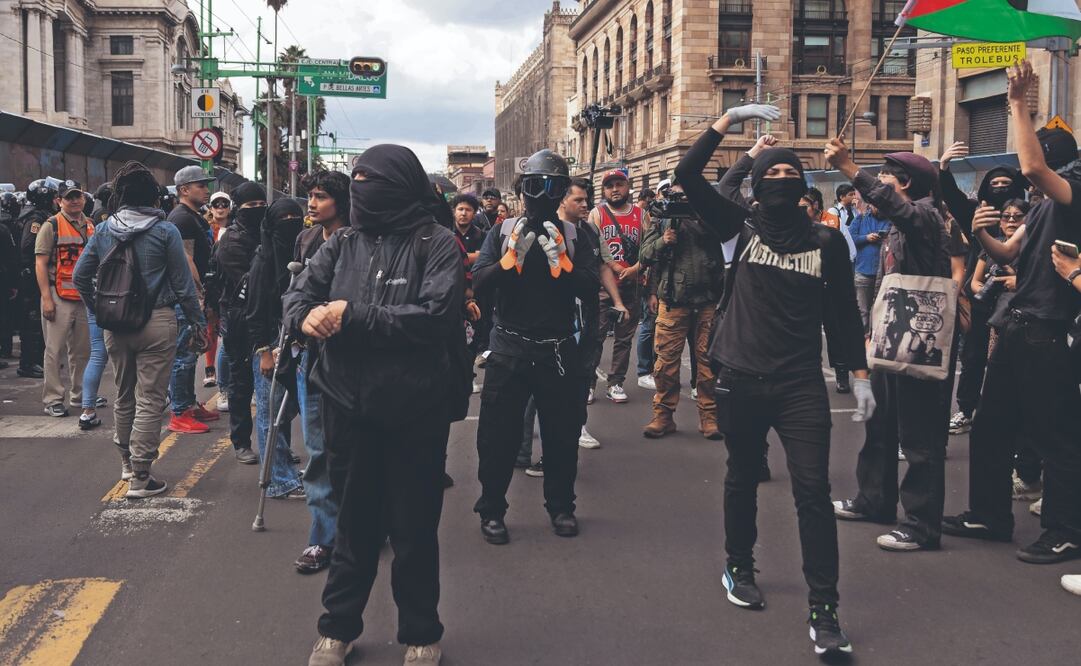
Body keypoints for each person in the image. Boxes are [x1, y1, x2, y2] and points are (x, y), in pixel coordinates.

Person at [677, 103, 871, 656]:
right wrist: (729, 120)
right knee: (742, 476)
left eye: (793, 175)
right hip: (738, 376)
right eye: (773, 175)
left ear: (807, 187)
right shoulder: (736, 228)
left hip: (799, 384)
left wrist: (857, 371)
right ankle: (738, 566)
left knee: (813, 492)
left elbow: (842, 314)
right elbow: (687, 176)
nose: (783, 181)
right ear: (757, 186)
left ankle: (824, 608)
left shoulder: (827, 243)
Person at [284, 144, 464, 666]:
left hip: (416, 411)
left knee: (413, 529)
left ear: (403, 184)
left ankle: (421, 634)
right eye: (355, 177)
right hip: (347, 407)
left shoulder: (439, 244)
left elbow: (434, 317)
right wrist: (305, 317)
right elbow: (298, 294)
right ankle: (336, 629)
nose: (361, 187)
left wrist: (353, 316)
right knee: (354, 527)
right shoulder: (340, 244)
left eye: (373, 179)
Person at [941, 61, 1081, 565]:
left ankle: (1065, 530)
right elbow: (1007, 254)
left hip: (1047, 332)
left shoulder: (1074, 193)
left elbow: (1032, 169)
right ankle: (989, 514)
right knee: (992, 426)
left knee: (1056, 436)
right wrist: (981, 231)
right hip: (1016, 328)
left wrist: (1017, 103)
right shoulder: (1045, 207)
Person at [827, 139, 954, 552]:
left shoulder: (924, 216)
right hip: (891, 337)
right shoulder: (899, 224)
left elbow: (893, 203)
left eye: (883, 176)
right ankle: (874, 501)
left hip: (921, 341)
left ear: (903, 183)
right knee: (880, 425)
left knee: (920, 436)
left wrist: (849, 167)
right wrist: (873, 329)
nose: (875, 185)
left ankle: (920, 526)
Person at [472, 149, 600, 546]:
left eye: (552, 187)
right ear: (522, 190)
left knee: (562, 437)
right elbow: (480, 284)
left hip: (558, 351)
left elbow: (590, 289)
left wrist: (564, 265)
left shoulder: (579, 235)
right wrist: (508, 261)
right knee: (497, 438)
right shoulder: (501, 231)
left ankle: (561, 506)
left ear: (562, 191)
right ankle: (492, 508)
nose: (542, 194)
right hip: (510, 347)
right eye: (534, 186)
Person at [73, 161, 206, 498]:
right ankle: (142, 476)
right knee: (150, 399)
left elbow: (79, 276)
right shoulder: (165, 231)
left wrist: (97, 306)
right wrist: (197, 321)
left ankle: (127, 464)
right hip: (157, 320)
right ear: (154, 196)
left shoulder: (103, 229)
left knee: (124, 394)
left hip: (114, 324)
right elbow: (183, 283)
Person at [937, 141, 1029, 436]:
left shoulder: (1032, 218)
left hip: (1019, 302)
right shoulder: (977, 216)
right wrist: (944, 169)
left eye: (1007, 183)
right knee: (974, 357)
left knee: (1014, 362)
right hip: (982, 299)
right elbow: (952, 198)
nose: (1001, 188)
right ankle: (965, 409)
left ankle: (1012, 417)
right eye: (995, 183)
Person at [290, 169, 349, 574]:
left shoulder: (362, 241)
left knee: (353, 450)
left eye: (320, 197)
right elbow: (293, 294)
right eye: (310, 196)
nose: (311, 204)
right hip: (311, 355)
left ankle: (362, 527)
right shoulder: (306, 239)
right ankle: (322, 537)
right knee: (316, 451)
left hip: (352, 359)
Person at [638, 181, 724, 440]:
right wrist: (663, 241)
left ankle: (709, 417)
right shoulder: (662, 219)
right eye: (677, 196)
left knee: (708, 363)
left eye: (688, 195)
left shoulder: (710, 218)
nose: (682, 200)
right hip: (673, 300)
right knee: (665, 364)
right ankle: (663, 415)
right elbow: (644, 256)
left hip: (708, 300)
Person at [245, 197, 306, 501]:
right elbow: (254, 312)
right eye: (285, 221)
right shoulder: (263, 261)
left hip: (293, 340)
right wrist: (264, 351)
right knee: (272, 413)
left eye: (297, 219)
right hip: (271, 341)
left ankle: (282, 464)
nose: (291, 226)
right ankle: (279, 479)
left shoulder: (299, 255)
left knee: (291, 405)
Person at [209, 181, 268, 465]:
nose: (257, 211)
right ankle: (241, 442)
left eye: (261, 205)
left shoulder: (269, 232)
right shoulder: (231, 241)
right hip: (239, 318)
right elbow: (248, 283)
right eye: (250, 207)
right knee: (242, 384)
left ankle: (273, 446)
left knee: (273, 386)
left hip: (268, 318)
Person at [588, 169, 649, 403]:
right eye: (610, 185)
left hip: (631, 285)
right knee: (595, 337)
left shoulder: (641, 215)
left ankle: (616, 382)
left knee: (624, 339)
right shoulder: (597, 214)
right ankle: (588, 383)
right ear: (604, 190)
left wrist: (640, 275)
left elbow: (648, 250)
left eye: (619, 184)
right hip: (603, 287)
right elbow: (591, 251)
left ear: (627, 187)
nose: (615, 189)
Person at [166, 166, 218, 433]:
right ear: (184, 190)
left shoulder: (193, 216)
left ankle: (188, 403)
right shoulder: (182, 218)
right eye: (200, 185)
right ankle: (179, 412)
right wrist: (197, 292)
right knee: (184, 354)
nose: (206, 189)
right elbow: (185, 259)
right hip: (186, 295)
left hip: (192, 293)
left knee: (192, 350)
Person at [35, 180, 93, 418]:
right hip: (58, 296)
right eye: (69, 197)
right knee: (54, 350)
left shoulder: (90, 225)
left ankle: (81, 394)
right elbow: (40, 263)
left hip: (83, 298)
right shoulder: (51, 225)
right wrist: (46, 299)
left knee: (82, 351)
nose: (74, 200)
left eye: (77, 196)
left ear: (84, 198)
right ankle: (53, 398)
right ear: (59, 201)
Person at [16, 178, 57, 379]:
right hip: (31, 276)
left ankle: (38, 360)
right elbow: (27, 247)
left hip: (32, 275)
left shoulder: (39, 215)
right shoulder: (36, 219)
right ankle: (28, 363)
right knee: (31, 320)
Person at [849, 203, 891, 333]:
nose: (877, 207)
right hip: (863, 270)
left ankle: (877, 338)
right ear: (870, 204)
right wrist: (866, 238)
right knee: (863, 309)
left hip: (885, 272)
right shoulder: (860, 219)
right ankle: (862, 339)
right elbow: (850, 238)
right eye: (875, 205)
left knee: (883, 309)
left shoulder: (892, 220)